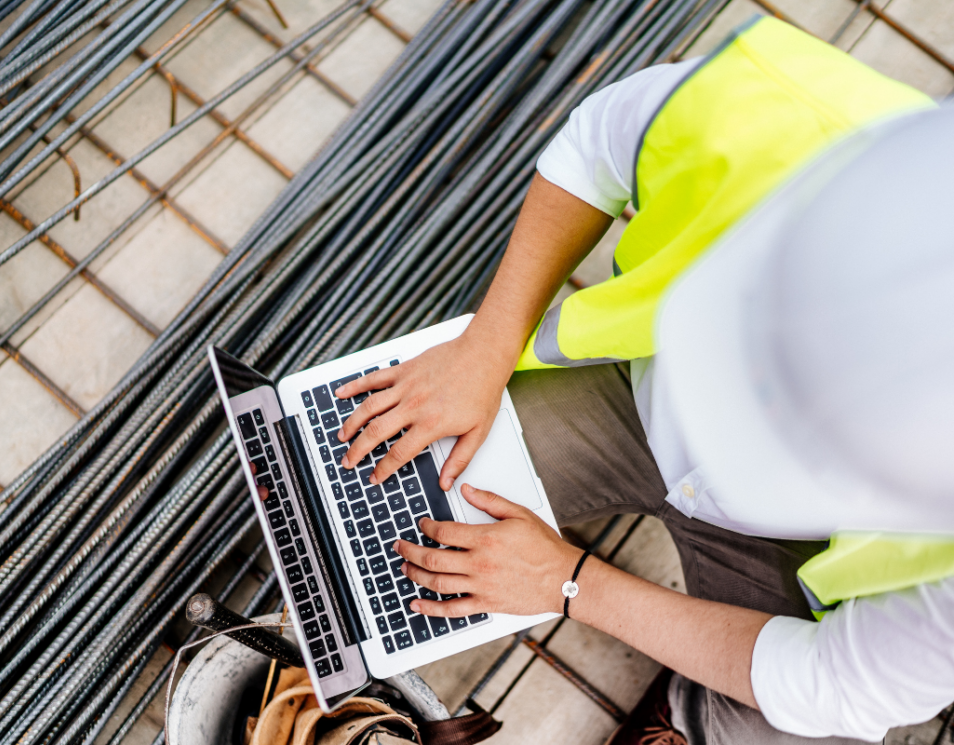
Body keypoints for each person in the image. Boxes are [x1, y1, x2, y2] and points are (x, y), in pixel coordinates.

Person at [332, 15, 954, 745]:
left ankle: (686, 717)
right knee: (378, 479)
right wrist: (488, 344)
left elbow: (836, 685)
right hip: (629, 398)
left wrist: (571, 583)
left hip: (806, 553)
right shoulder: (794, 116)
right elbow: (597, 142)